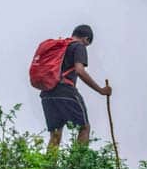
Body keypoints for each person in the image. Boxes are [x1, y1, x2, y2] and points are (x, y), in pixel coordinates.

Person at [40, 24, 112, 152]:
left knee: (55, 133)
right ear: (86, 39)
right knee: (84, 127)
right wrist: (101, 90)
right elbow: (80, 70)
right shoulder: (78, 46)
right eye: (87, 44)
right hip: (65, 91)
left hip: (47, 93)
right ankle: (78, 166)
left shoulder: (60, 47)